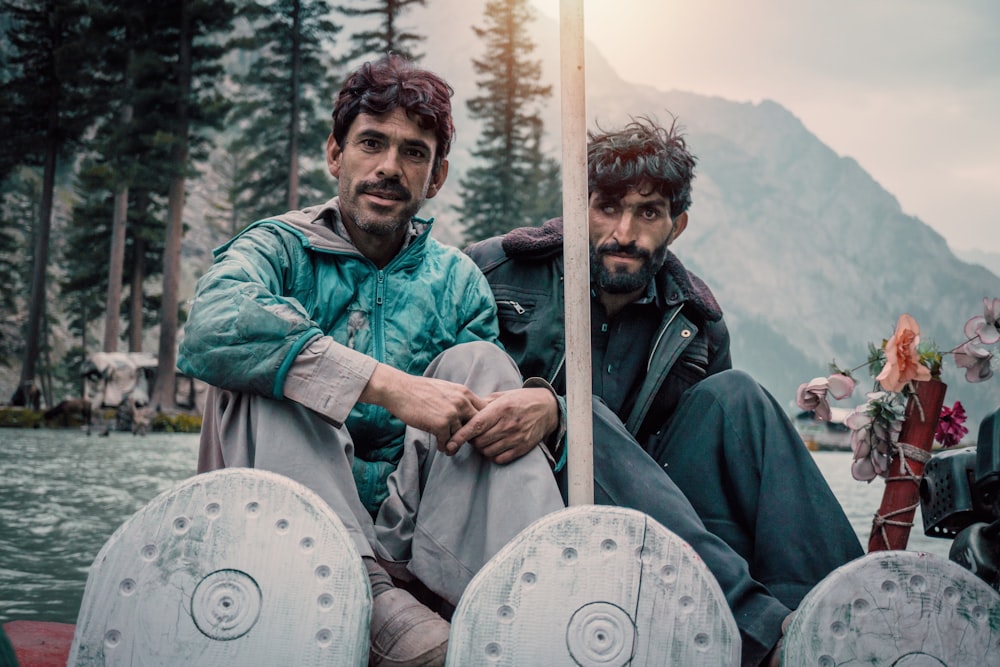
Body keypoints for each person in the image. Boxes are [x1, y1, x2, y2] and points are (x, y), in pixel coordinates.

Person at [177, 55, 563, 667]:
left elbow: (474, 443)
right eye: (372, 143)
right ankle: (365, 596)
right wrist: (385, 386)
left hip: (411, 535)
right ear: (336, 155)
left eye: (414, 152)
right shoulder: (280, 248)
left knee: (485, 366)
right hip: (287, 541)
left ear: (434, 177)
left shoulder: (457, 281)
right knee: (265, 366)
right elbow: (210, 326)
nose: (389, 167)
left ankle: (531, 596)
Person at [462, 116, 865, 667]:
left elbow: (712, 470)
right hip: (526, 497)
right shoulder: (498, 272)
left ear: (677, 226)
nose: (623, 233)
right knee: (584, 413)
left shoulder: (696, 322)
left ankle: (841, 620)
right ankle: (767, 633)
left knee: (740, 396)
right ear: (579, 207)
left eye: (648, 213)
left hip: (654, 517)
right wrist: (558, 414)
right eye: (607, 207)